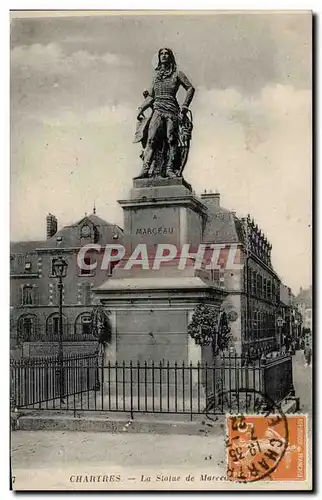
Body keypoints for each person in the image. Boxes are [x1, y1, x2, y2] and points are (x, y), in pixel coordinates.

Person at [135, 48, 195, 179]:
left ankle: (169, 169)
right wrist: (141, 109)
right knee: (151, 140)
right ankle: (145, 169)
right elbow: (151, 96)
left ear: (171, 57)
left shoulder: (177, 74)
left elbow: (190, 88)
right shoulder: (156, 77)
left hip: (171, 110)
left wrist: (185, 105)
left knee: (171, 140)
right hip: (157, 109)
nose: (164, 56)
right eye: (161, 54)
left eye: (166, 53)